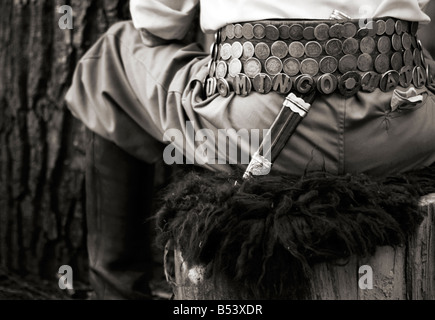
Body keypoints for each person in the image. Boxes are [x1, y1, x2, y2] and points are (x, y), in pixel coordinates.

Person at [65, 0, 435, 299]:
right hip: (398, 119)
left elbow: (158, 22)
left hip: (261, 125)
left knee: (112, 54)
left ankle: (118, 292)